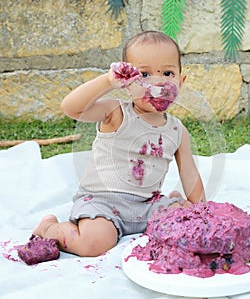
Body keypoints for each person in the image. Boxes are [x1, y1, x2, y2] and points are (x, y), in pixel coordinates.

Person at [33, 30, 205, 257]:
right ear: (127, 83)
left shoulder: (177, 130)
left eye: (167, 73)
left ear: (181, 81)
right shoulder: (115, 112)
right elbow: (71, 107)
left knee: (185, 224)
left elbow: (189, 174)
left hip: (147, 205)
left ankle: (173, 201)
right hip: (102, 202)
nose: (158, 82)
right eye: (144, 75)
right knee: (95, 243)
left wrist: (203, 210)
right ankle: (50, 228)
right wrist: (108, 81)